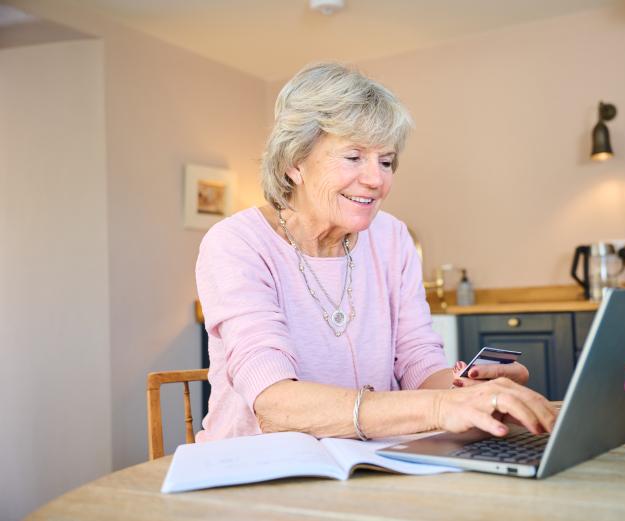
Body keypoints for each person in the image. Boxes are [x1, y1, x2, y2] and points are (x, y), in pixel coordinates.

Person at [195, 63, 556, 443]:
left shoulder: (392, 237)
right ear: (293, 164)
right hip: (251, 471)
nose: (376, 180)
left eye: (386, 161)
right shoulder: (236, 243)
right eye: (353, 157)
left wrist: (471, 394)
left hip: (365, 461)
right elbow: (274, 403)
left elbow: (418, 360)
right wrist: (436, 408)